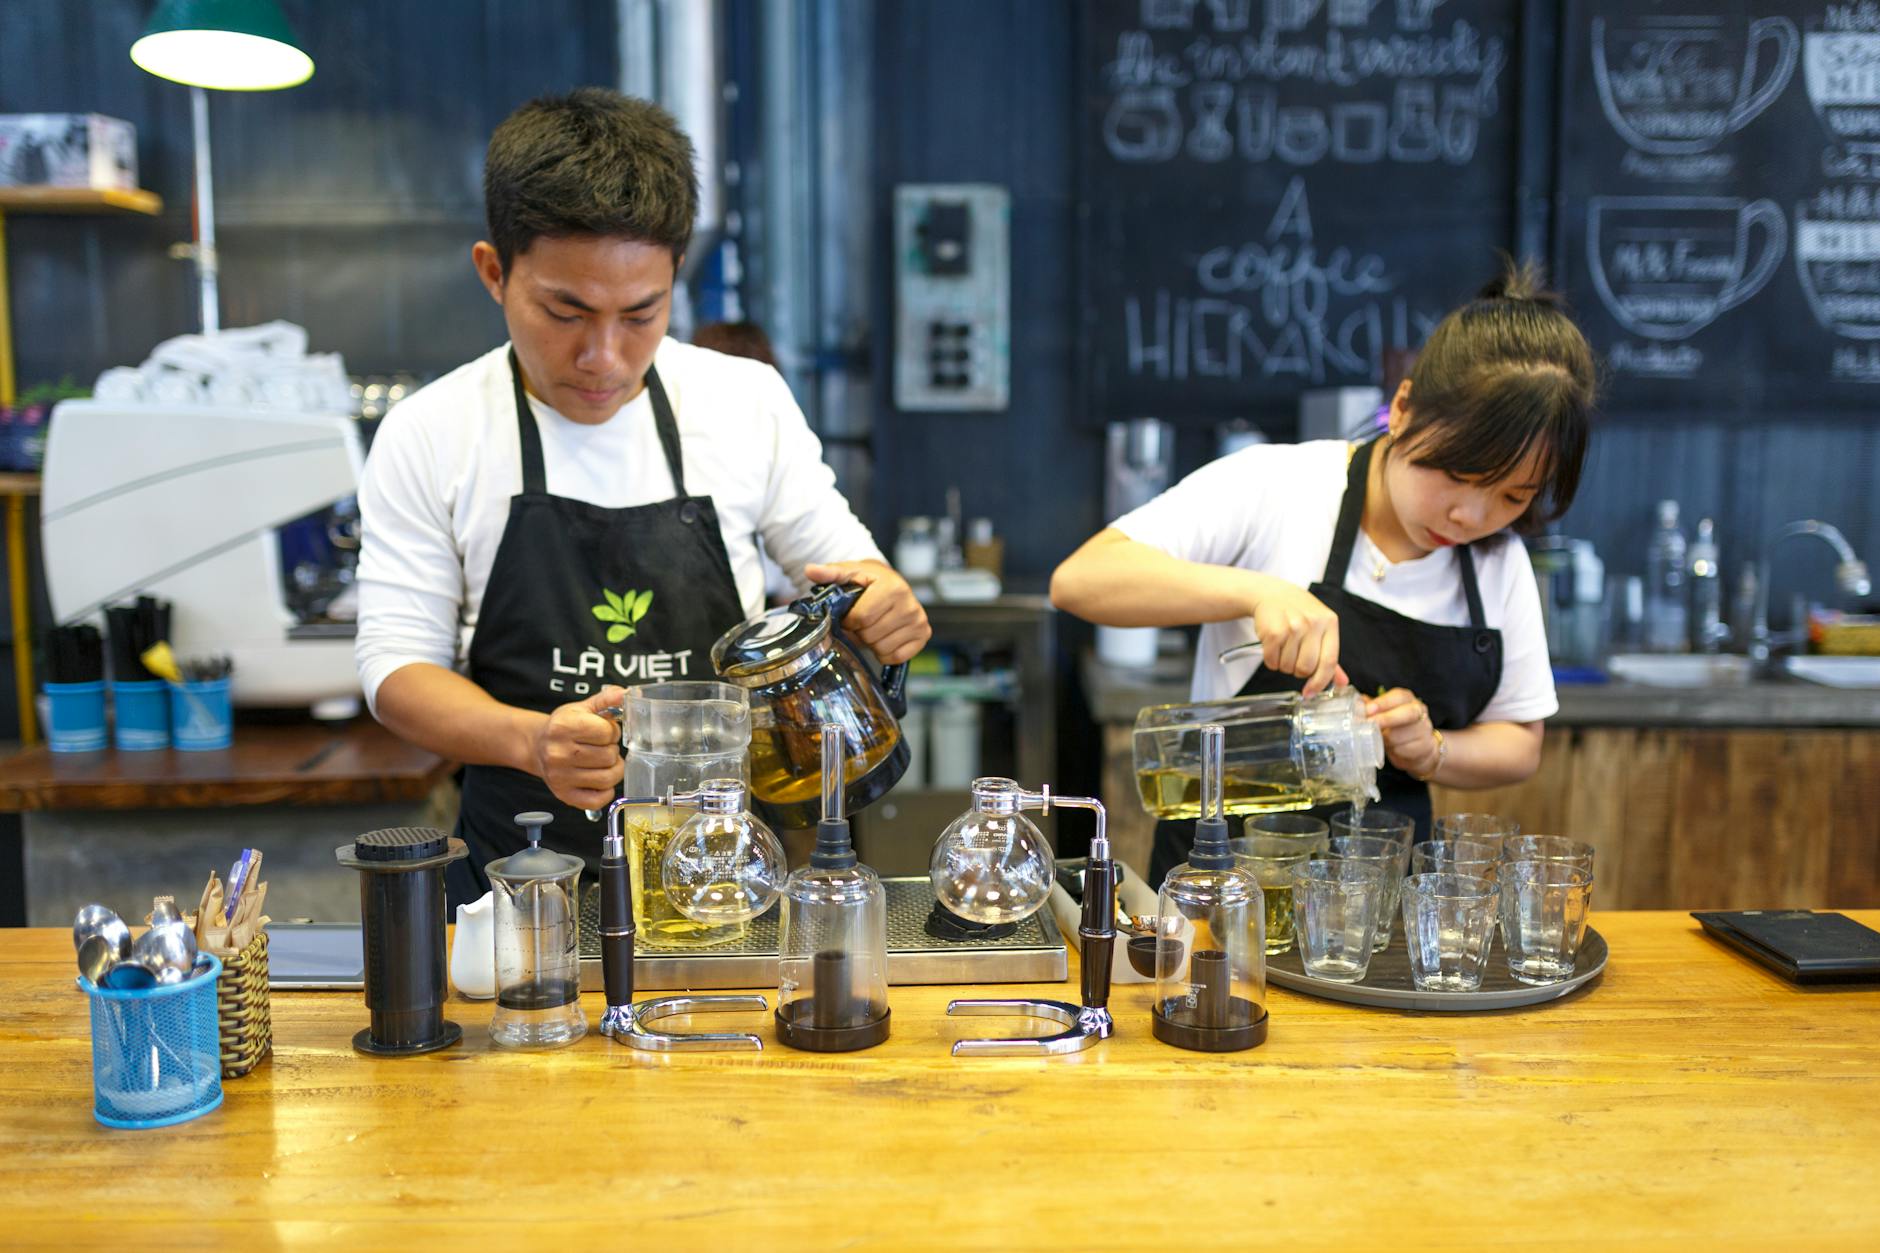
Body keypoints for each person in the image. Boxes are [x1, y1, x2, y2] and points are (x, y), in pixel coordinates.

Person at [355, 90, 929, 903]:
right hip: (520, 879)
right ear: (494, 272)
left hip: (727, 870)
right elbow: (395, 669)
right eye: (565, 311)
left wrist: (883, 595)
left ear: (675, 277)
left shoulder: (743, 400)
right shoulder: (432, 431)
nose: (603, 356)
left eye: (640, 313)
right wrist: (533, 739)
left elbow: (837, 563)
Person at [1051, 262, 1595, 884]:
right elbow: (1080, 578)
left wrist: (1434, 750)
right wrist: (1257, 592)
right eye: (1456, 475)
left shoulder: (1500, 564)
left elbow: (1521, 744)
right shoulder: (1280, 486)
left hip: (1377, 909)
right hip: (1225, 887)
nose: (1469, 515)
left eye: (1512, 496)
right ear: (1405, 407)